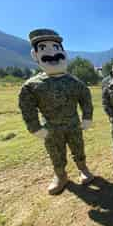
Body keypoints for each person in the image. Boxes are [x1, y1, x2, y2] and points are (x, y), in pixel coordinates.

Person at [19, 29, 94, 195]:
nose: (52, 54)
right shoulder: (32, 85)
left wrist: (87, 117)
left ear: (63, 52)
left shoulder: (73, 81)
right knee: (55, 153)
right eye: (44, 48)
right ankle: (60, 176)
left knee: (78, 149)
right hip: (51, 127)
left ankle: (83, 170)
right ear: (35, 54)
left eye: (56, 48)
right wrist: (34, 127)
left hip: (73, 124)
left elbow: (85, 97)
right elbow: (27, 107)